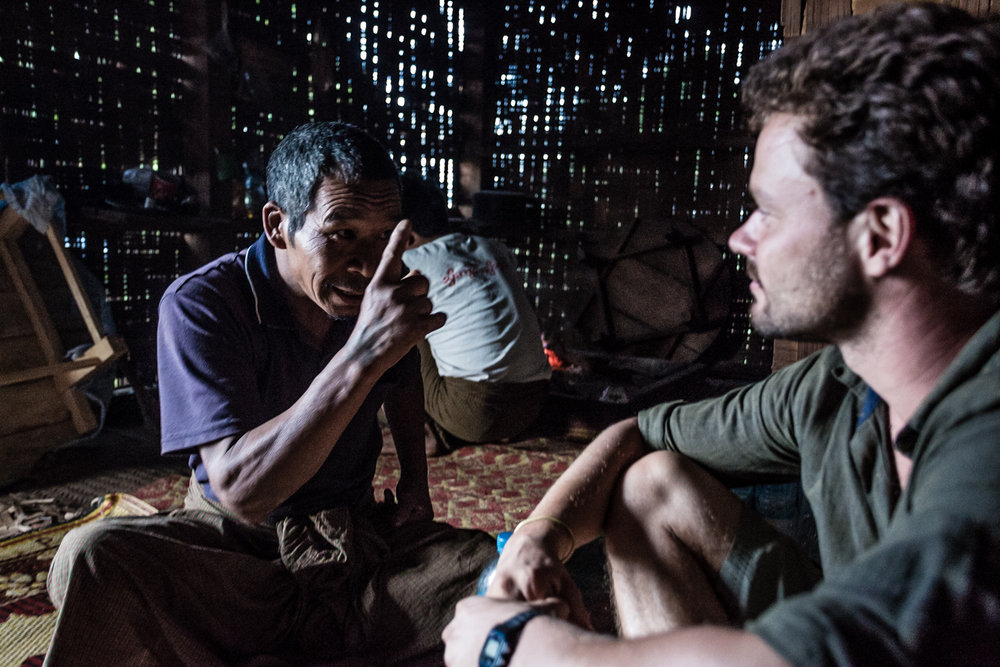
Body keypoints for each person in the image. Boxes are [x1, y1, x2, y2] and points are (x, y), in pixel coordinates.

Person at [443, 4, 1000, 665]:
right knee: (649, 484)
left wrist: (516, 643)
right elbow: (642, 432)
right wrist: (539, 537)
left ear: (880, 235)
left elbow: (849, 644)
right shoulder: (842, 384)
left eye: (766, 210)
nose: (740, 238)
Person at [45, 121, 495, 665]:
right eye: (341, 234)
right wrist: (360, 356)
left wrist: (415, 485)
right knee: (92, 559)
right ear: (279, 226)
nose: (367, 265)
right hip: (237, 553)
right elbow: (240, 492)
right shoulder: (201, 305)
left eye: (382, 237)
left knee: (511, 578)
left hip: (355, 546)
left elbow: (401, 379)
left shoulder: (374, 298)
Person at [400, 174, 552, 455]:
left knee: (402, 320)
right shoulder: (494, 249)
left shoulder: (408, 262)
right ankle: (449, 433)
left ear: (405, 235)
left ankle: (425, 431)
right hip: (533, 404)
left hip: (471, 414)